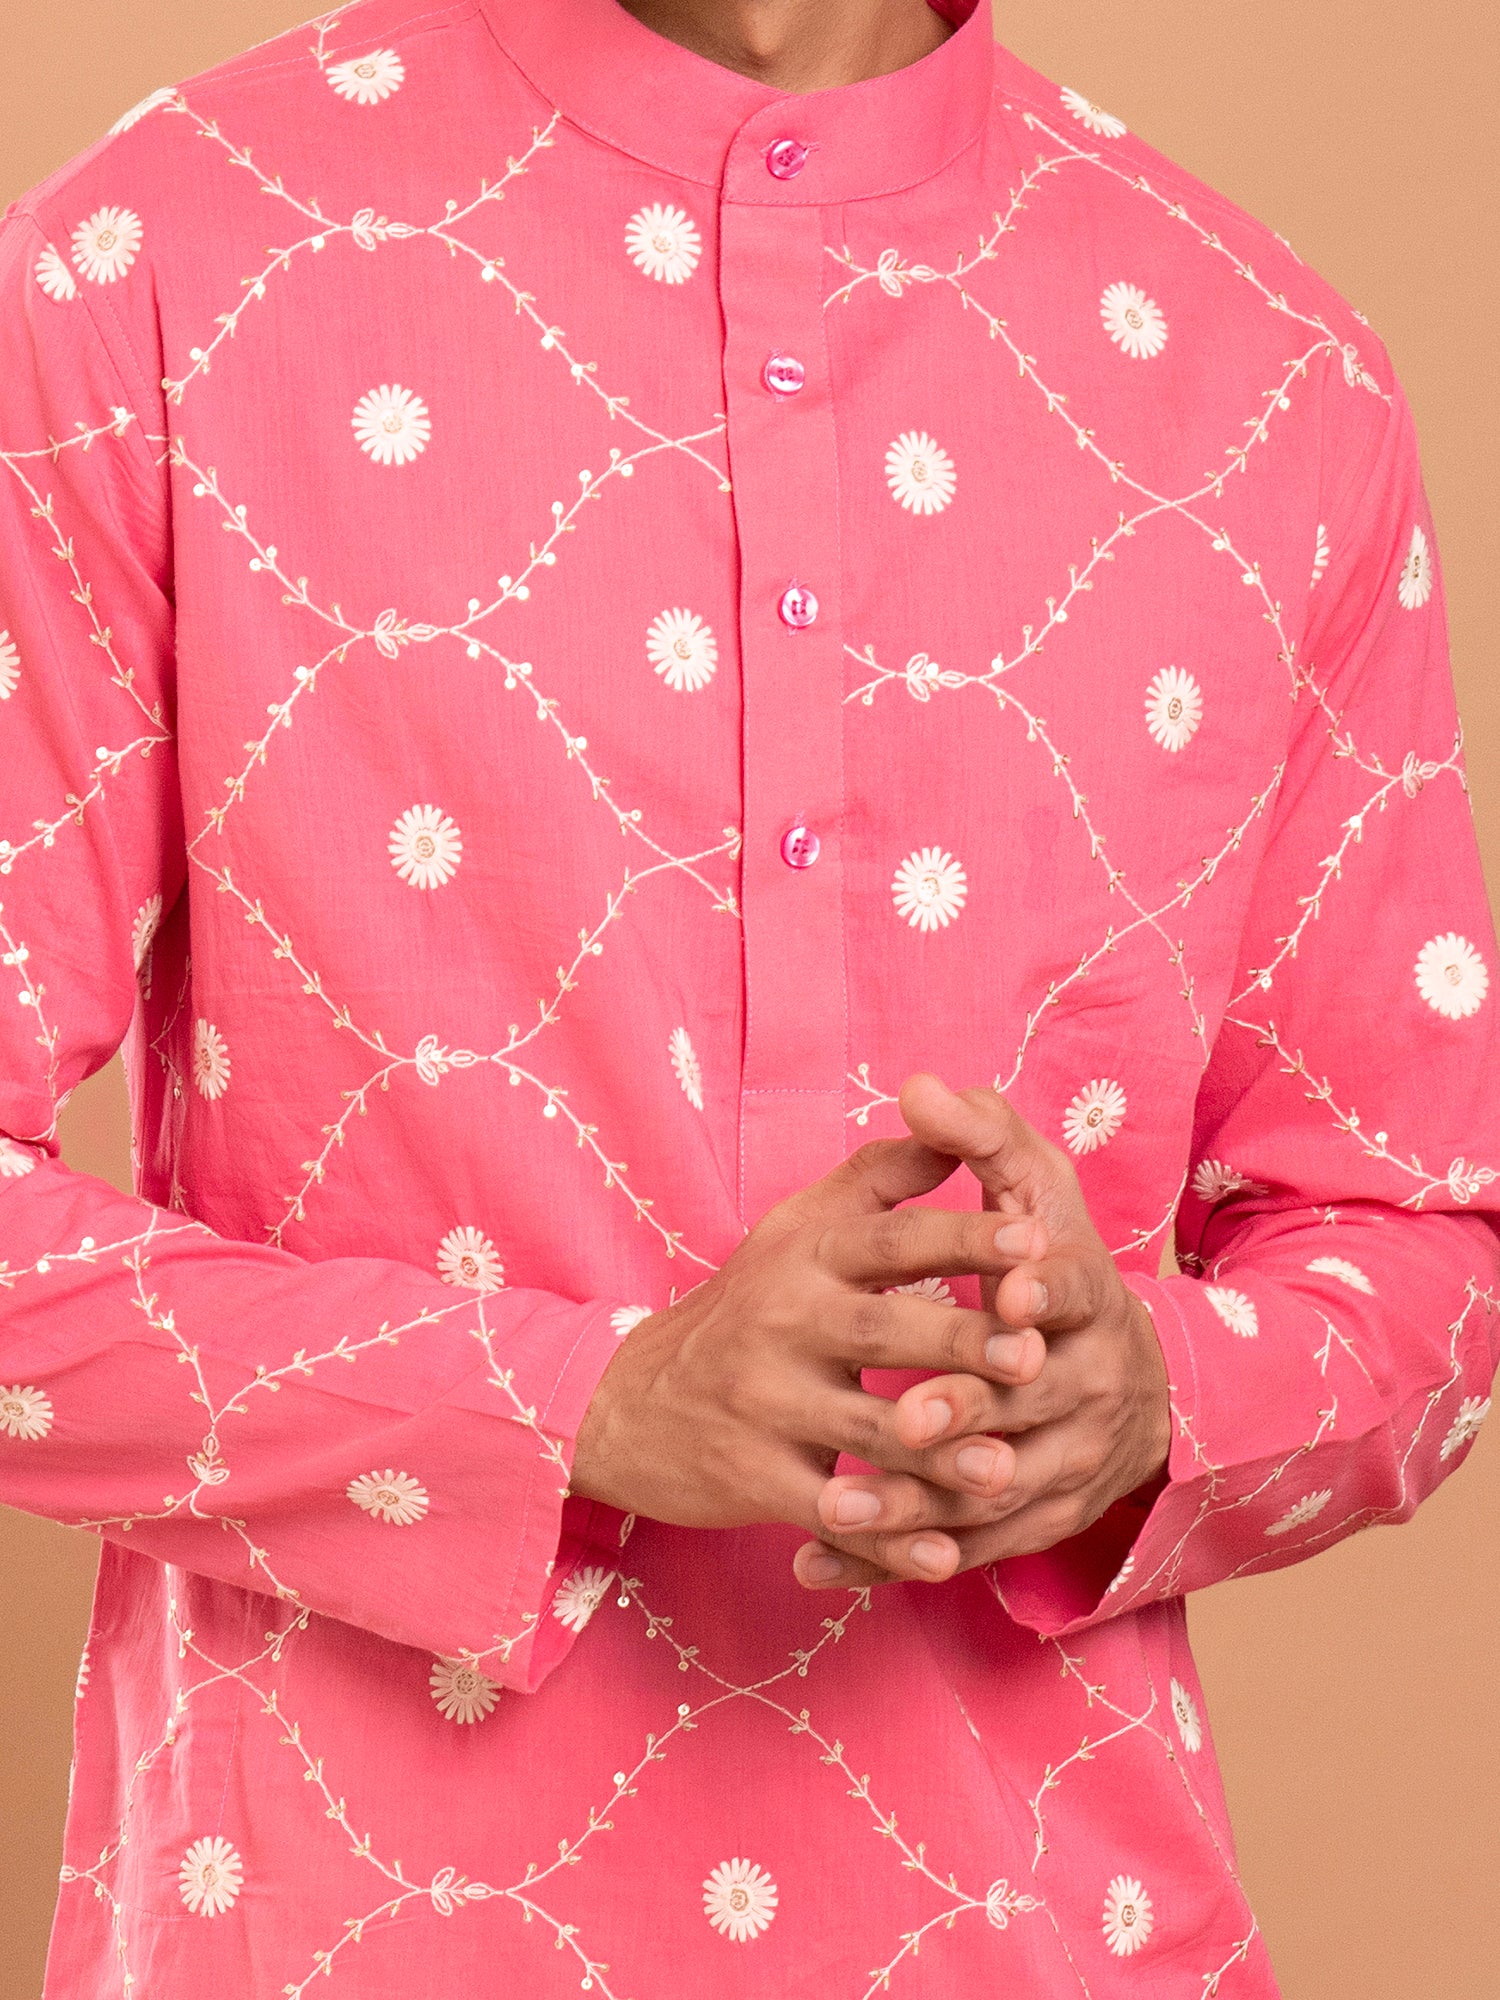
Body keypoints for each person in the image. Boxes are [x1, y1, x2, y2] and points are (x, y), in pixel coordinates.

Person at [0, 0, 1495, 1989]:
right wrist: (585, 1404)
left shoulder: (1269, 379)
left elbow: (1424, 1243)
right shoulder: (159, 264)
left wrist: (1153, 1398)